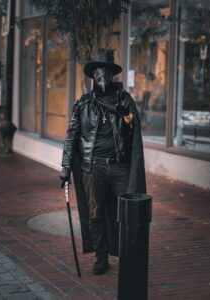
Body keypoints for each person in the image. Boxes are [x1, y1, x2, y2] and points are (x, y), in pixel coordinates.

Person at [60, 49, 146, 275]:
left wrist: (128, 117)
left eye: (107, 72)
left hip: (119, 165)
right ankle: (101, 257)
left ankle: (127, 254)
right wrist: (65, 167)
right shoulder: (83, 104)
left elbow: (134, 127)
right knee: (95, 213)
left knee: (125, 212)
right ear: (93, 76)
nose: (103, 77)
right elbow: (71, 135)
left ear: (112, 74)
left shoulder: (123, 99)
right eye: (99, 72)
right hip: (93, 166)